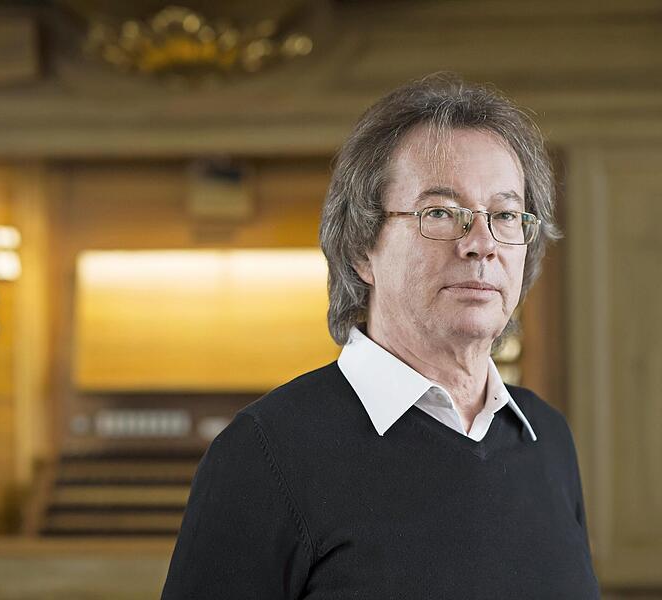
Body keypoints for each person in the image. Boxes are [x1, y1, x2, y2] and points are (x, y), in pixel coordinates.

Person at [161, 74, 600, 599]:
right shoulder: (263, 453)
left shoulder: (547, 438)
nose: (482, 243)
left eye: (504, 215)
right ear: (361, 249)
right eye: (440, 213)